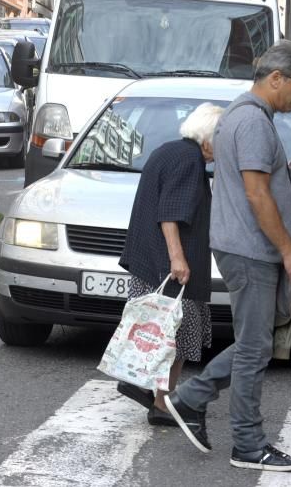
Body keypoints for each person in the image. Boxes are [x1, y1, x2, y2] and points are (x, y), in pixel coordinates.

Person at [163, 42, 291, 473]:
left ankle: (190, 400)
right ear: (276, 78)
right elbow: (256, 193)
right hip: (250, 249)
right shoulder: (251, 122)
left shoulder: (242, 116)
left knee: (255, 344)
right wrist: (289, 251)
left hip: (242, 246)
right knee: (253, 349)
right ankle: (246, 443)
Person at [115, 103, 224, 428]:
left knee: (160, 331)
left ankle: (151, 391)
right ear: (208, 139)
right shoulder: (189, 161)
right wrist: (178, 259)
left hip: (149, 262)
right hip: (170, 268)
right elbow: (170, 214)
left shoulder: (168, 152)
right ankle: (161, 401)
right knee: (177, 335)